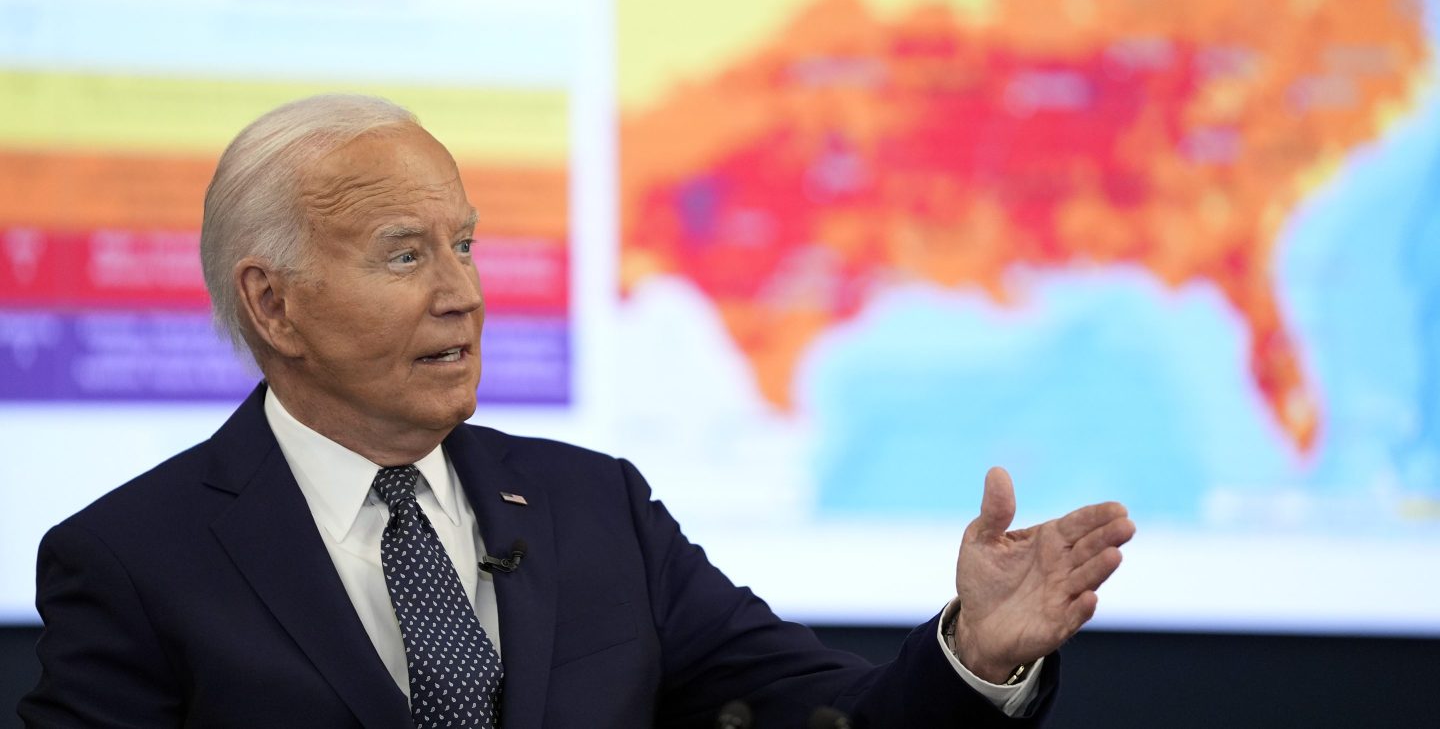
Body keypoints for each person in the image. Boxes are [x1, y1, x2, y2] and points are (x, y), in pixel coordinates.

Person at [19, 95, 1135, 728]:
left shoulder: (594, 508)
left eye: (463, 244)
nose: (461, 292)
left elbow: (831, 719)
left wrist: (975, 654)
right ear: (274, 304)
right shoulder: (132, 561)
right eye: (404, 255)